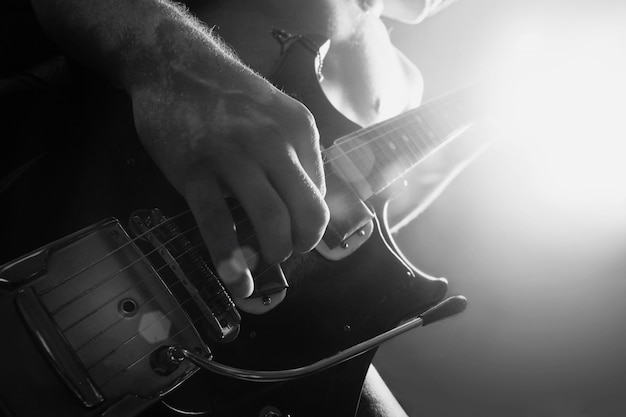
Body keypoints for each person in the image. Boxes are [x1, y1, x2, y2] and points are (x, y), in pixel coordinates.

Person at [4, 0, 458, 415]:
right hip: (60, 192)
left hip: (208, 328)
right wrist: (168, 62)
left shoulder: (410, 84)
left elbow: (357, 236)